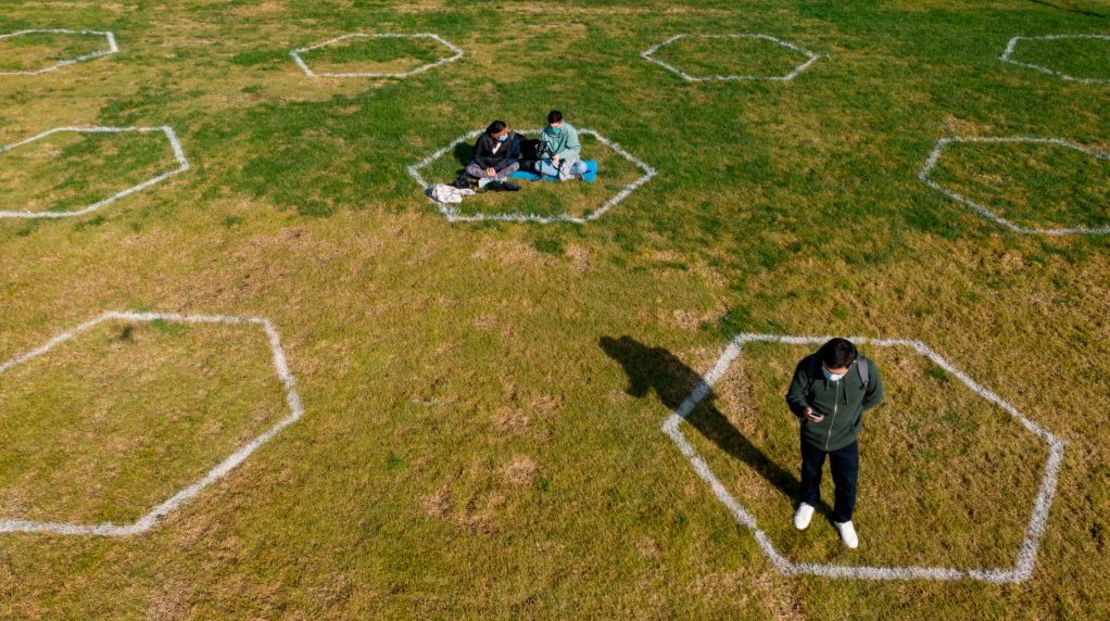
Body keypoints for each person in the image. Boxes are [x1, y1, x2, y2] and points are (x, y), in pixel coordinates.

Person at [785, 337, 884, 549]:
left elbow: (875, 396)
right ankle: (809, 502)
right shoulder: (809, 365)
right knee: (810, 471)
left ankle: (843, 518)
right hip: (813, 436)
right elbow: (794, 394)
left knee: (847, 482)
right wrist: (804, 409)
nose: (830, 376)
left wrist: (852, 415)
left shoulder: (866, 370)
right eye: (827, 370)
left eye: (836, 373)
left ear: (849, 365)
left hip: (846, 438)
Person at [466, 120, 521, 191]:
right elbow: (476, 156)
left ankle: (489, 177)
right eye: (503, 134)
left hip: (499, 165)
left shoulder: (508, 140)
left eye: (505, 133)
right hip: (484, 164)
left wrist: (495, 168)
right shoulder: (483, 138)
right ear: (494, 134)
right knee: (469, 168)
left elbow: (506, 158)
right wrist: (486, 168)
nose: (505, 135)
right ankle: (497, 177)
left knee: (516, 164)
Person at [534, 110, 588, 181]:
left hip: (569, 160)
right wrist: (547, 156)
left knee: (582, 167)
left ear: (561, 122)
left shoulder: (570, 131)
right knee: (537, 165)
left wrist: (560, 156)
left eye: (556, 127)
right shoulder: (544, 133)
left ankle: (554, 173)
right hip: (553, 161)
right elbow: (544, 153)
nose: (554, 129)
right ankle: (572, 176)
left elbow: (576, 149)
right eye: (552, 126)